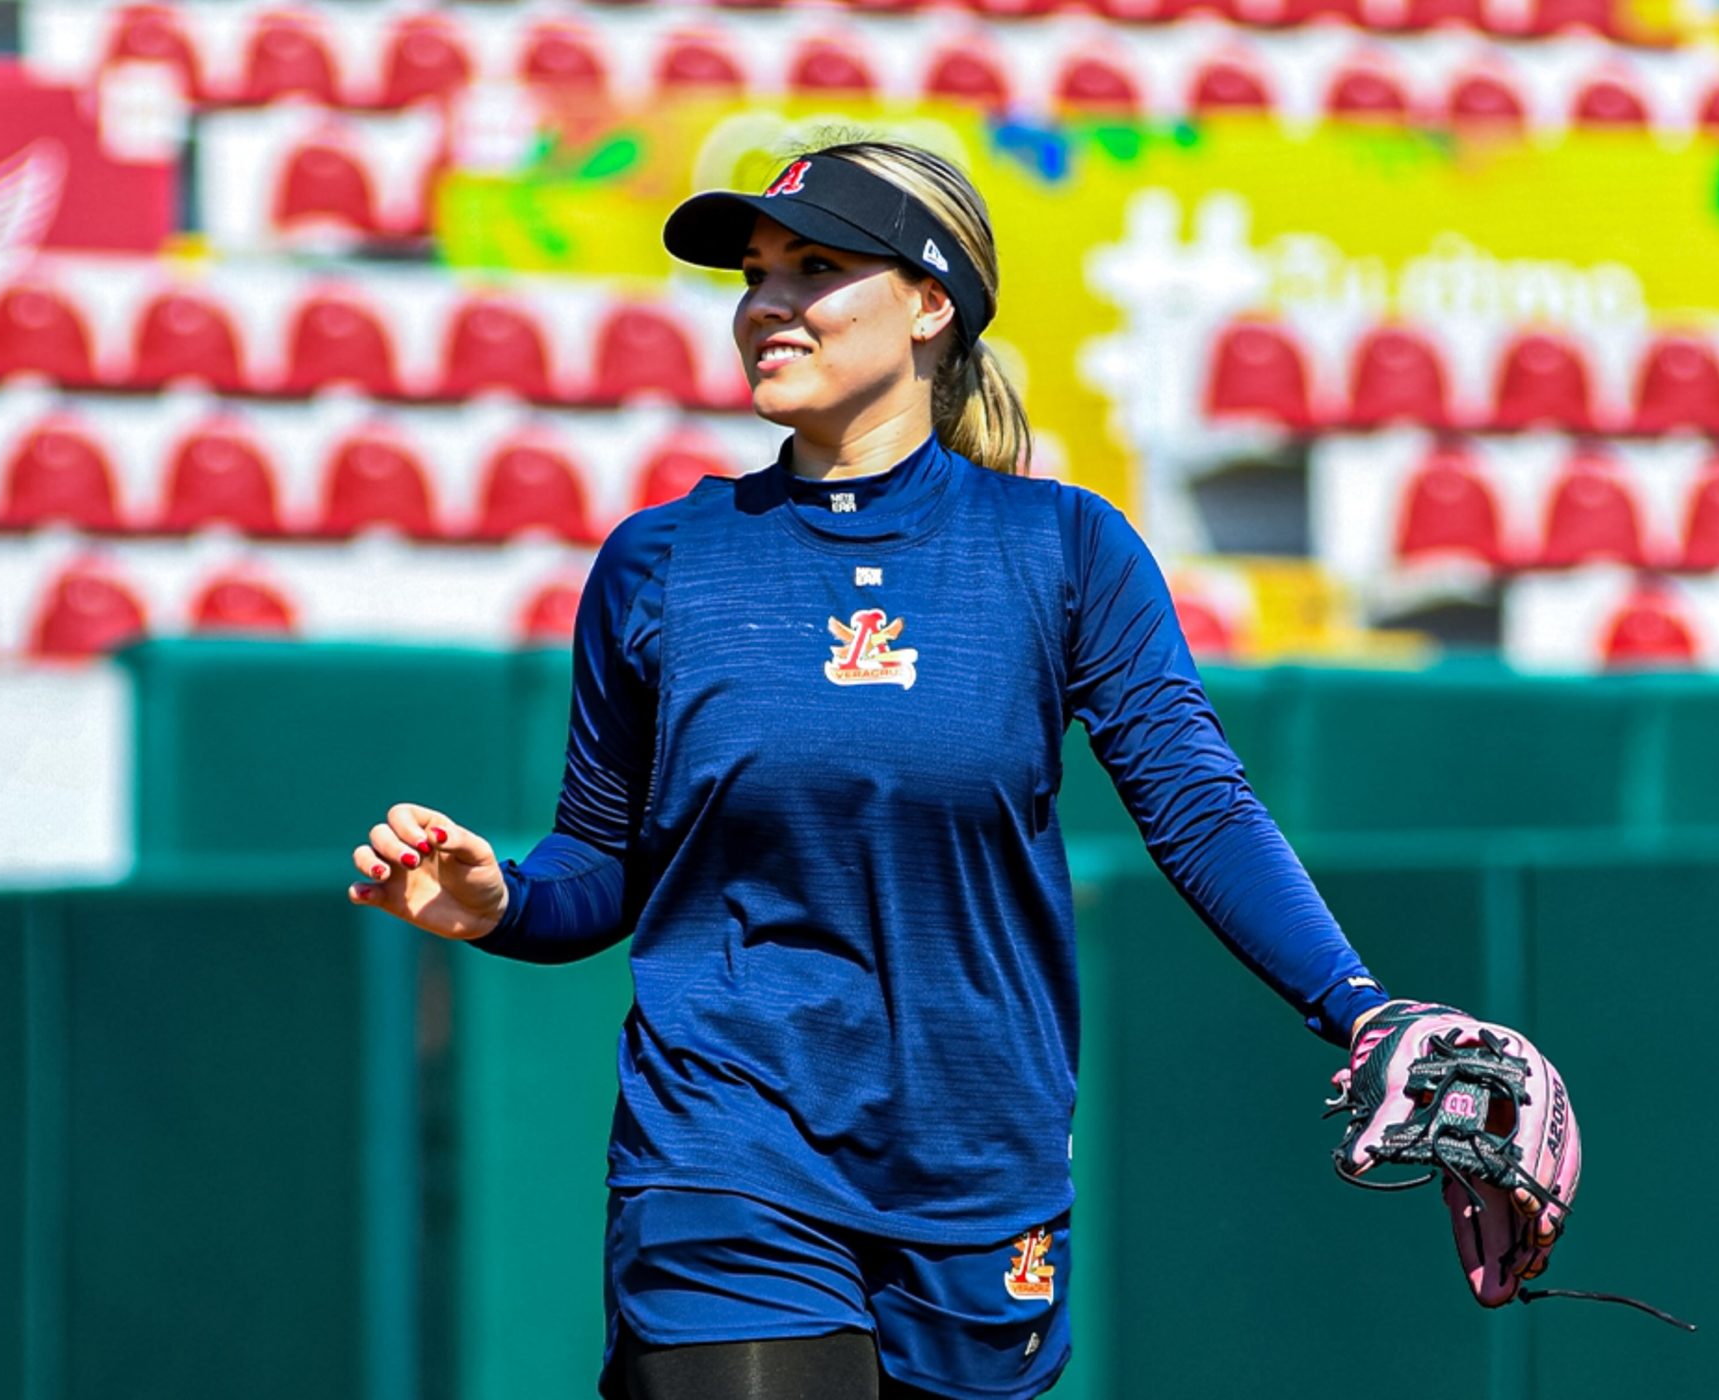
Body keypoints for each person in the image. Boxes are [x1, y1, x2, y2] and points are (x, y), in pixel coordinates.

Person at [345, 139, 1395, 1400]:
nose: (767, 304)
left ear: (929, 303)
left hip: (979, 1162)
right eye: (754, 274)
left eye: (814, 268)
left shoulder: (1063, 547)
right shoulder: (659, 561)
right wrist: (503, 900)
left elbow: (1198, 807)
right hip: (724, 1144)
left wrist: (1362, 1008)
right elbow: (602, 859)